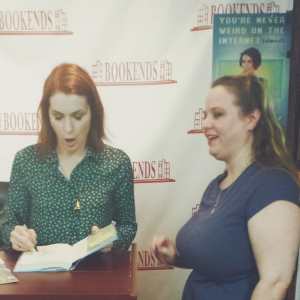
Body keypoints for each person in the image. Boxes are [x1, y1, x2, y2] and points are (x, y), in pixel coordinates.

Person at [151, 75, 300, 300]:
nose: (205, 123)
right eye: (205, 115)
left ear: (251, 120)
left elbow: (274, 283)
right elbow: (220, 260)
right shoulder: (218, 185)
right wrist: (175, 257)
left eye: (218, 114)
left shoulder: (273, 186)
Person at [2, 63, 137, 252]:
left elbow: (128, 226)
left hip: (97, 273)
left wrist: (108, 241)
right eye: (58, 117)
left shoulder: (116, 162)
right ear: (47, 115)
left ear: (93, 113)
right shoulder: (26, 161)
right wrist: (15, 236)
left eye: (78, 116)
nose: (68, 129)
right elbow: (9, 225)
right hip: (42, 275)